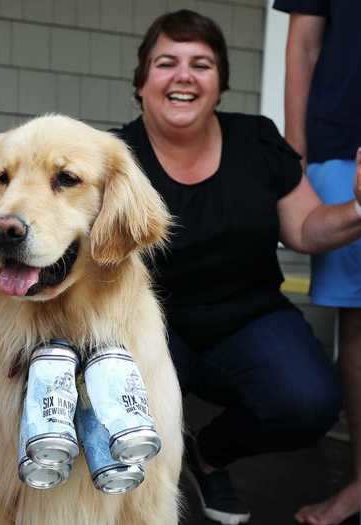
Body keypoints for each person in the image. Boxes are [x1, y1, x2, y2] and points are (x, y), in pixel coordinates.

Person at [111, 10, 361, 525]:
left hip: (248, 320)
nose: (184, 75)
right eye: (166, 63)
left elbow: (306, 228)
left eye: (201, 64)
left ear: (220, 84)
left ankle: (208, 454)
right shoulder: (115, 157)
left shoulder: (256, 140)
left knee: (309, 401)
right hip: (151, 326)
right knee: (124, 408)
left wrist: (360, 208)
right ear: (141, 83)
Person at [274, 2, 361, 523]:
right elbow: (304, 42)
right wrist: (296, 154)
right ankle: (360, 482)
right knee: (360, 319)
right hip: (347, 138)